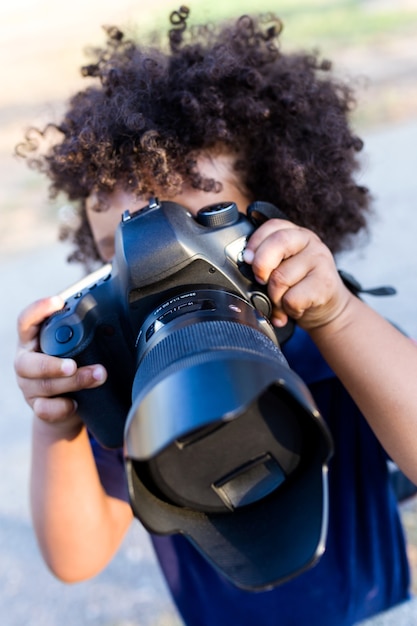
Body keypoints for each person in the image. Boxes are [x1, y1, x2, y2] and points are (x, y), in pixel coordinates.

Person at [14, 7, 417, 625]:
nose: (153, 268)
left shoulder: (328, 335)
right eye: (112, 257)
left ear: (276, 217)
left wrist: (337, 317)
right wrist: (58, 420)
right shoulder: (124, 378)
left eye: (196, 227)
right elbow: (76, 559)